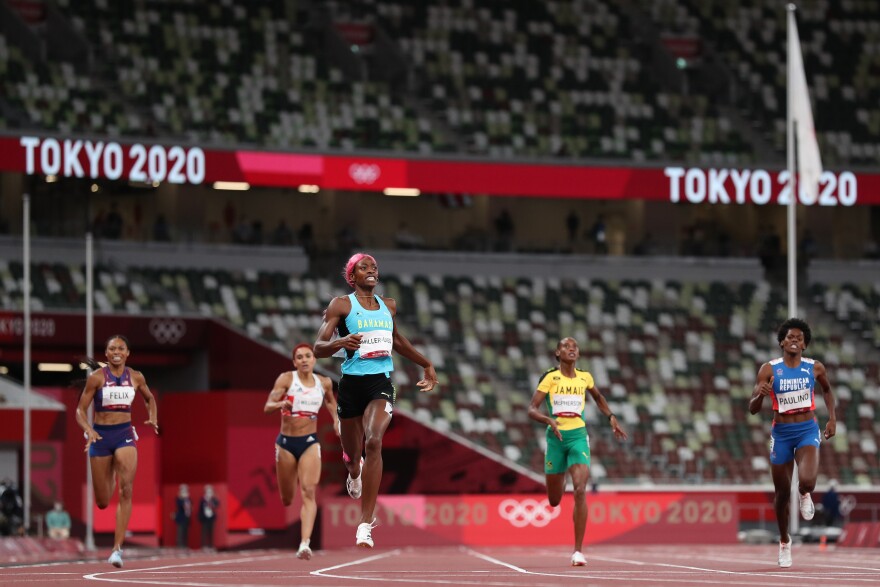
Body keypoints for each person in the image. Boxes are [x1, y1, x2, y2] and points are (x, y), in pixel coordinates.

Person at [314, 253, 437, 548]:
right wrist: (340, 343)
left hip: (380, 383)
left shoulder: (388, 306)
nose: (371, 271)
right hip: (350, 386)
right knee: (353, 455)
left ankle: (365, 524)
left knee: (374, 441)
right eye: (363, 268)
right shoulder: (341, 305)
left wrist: (426, 363)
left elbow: (397, 341)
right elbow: (318, 347)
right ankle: (353, 471)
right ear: (352, 276)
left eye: (374, 268)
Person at [527, 336, 627, 566]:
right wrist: (548, 421)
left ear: (578, 354)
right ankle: (559, 475)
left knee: (580, 489)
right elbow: (532, 409)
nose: (571, 349)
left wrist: (611, 416)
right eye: (566, 346)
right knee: (554, 500)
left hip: (578, 438)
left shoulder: (585, 377)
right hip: (555, 439)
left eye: (574, 347)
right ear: (557, 353)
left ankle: (578, 551)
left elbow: (598, 397)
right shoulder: (550, 377)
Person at [749, 317, 836, 568]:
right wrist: (759, 396)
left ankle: (805, 493)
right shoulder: (769, 369)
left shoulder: (815, 367)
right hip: (781, 434)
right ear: (781, 342)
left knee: (807, 481)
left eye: (799, 338)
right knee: (781, 493)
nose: (794, 340)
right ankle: (785, 541)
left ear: (805, 344)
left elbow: (827, 391)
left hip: (808, 430)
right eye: (790, 337)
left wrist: (832, 419)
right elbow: (752, 408)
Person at [76, 335, 159, 568]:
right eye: (112, 348)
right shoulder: (95, 379)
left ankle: (117, 549)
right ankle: (111, 469)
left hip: (124, 435)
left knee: (126, 489)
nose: (116, 351)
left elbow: (149, 399)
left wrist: (152, 417)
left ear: (127, 353)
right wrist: (88, 429)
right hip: (101, 438)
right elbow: (80, 410)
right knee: (102, 501)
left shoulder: (136, 377)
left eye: (121, 348)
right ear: (106, 353)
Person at [264, 343, 339, 560]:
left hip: (309, 443)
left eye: (308, 356)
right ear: (294, 362)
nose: (305, 360)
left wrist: (336, 421)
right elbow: (267, 406)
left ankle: (304, 544)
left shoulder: (323, 382)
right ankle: (301, 537)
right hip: (286, 444)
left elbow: (331, 403)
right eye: (300, 357)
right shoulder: (286, 379)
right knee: (287, 498)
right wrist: (281, 405)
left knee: (308, 491)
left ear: (314, 360)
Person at [198, 485, 220, 550]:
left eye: (210, 491)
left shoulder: (213, 499)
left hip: (211, 517)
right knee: (204, 531)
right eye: (208, 491)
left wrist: (214, 499)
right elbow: (200, 508)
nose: (209, 493)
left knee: (211, 532)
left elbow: (217, 504)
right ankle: (203, 545)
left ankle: (211, 545)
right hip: (205, 518)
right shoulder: (203, 499)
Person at [174, 484, 192, 548]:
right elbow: (180, 505)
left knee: (185, 532)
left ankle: (185, 545)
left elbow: (190, 507)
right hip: (181, 518)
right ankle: (179, 545)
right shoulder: (179, 499)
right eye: (183, 490)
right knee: (180, 532)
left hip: (186, 518)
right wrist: (183, 499)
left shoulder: (188, 499)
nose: (185, 492)